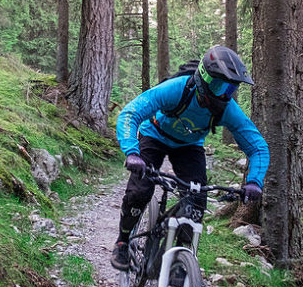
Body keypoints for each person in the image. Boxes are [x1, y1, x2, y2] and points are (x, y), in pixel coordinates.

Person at [111, 46, 269, 270]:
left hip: (188, 146)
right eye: (218, 85)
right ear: (203, 79)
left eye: (230, 88)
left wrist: (254, 181)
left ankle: (182, 258)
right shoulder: (177, 89)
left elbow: (258, 147)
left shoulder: (227, 109)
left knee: (196, 201)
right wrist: (132, 152)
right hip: (154, 135)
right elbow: (131, 113)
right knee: (140, 191)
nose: (224, 94)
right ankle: (123, 241)